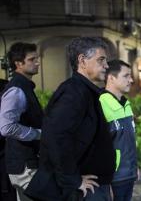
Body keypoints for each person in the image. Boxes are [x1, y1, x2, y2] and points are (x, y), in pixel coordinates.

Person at [25, 37, 115, 201]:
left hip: (94, 186)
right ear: (82, 60)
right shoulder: (73, 92)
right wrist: (73, 180)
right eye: (101, 60)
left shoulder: (87, 92)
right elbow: (55, 137)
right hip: (82, 190)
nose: (106, 66)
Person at [0, 42, 43, 201]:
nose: (37, 62)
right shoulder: (17, 89)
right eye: (32, 59)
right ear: (18, 64)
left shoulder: (24, 87)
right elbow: (6, 127)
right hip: (24, 166)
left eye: (37, 58)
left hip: (27, 163)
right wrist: (38, 134)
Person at [99, 60, 138, 201]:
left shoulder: (126, 104)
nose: (131, 80)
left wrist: (135, 167)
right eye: (126, 76)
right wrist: (105, 179)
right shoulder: (101, 104)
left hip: (128, 173)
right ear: (111, 78)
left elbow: (128, 140)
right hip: (113, 177)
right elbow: (98, 146)